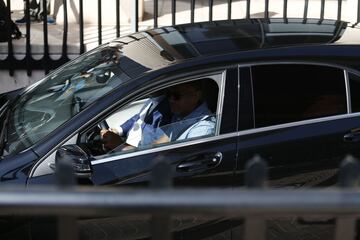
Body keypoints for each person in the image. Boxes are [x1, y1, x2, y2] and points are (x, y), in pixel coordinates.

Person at [101, 80, 216, 151]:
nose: (170, 99)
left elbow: (156, 161)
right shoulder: (182, 117)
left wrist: (120, 146)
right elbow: (154, 148)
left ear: (196, 96)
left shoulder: (202, 130)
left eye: (176, 96)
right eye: (169, 94)